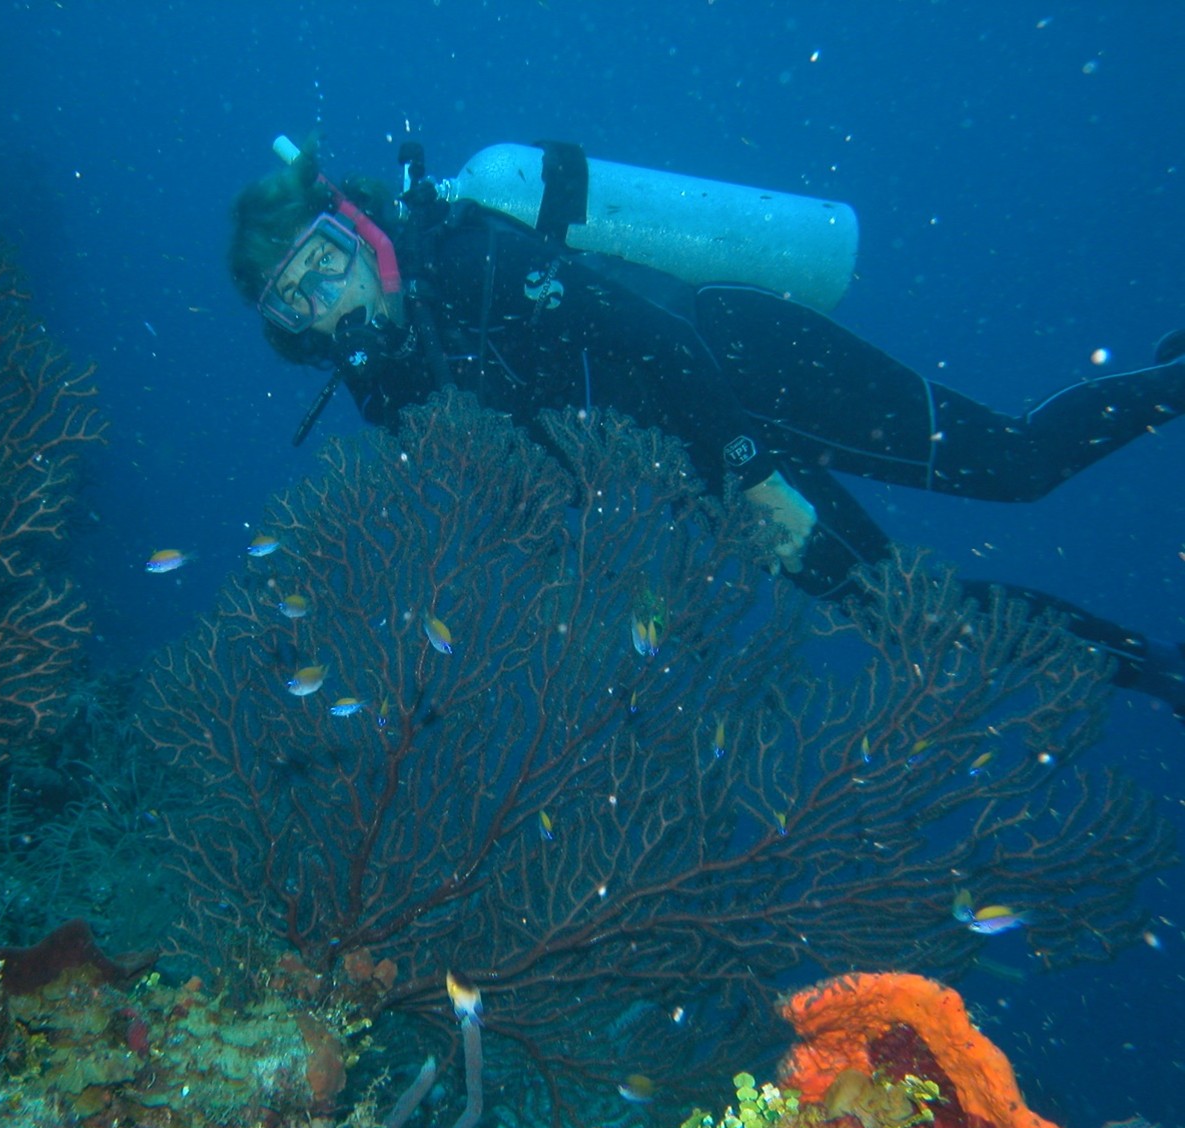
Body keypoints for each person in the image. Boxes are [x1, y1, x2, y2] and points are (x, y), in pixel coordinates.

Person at [228, 142, 1185, 719]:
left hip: (743, 356)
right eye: (295, 300)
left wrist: (756, 475)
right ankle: (1159, 671)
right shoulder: (394, 392)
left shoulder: (471, 255)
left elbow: (657, 339)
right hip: (703, 464)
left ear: (357, 229)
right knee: (912, 617)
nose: (325, 301)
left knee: (1014, 465)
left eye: (324, 263)